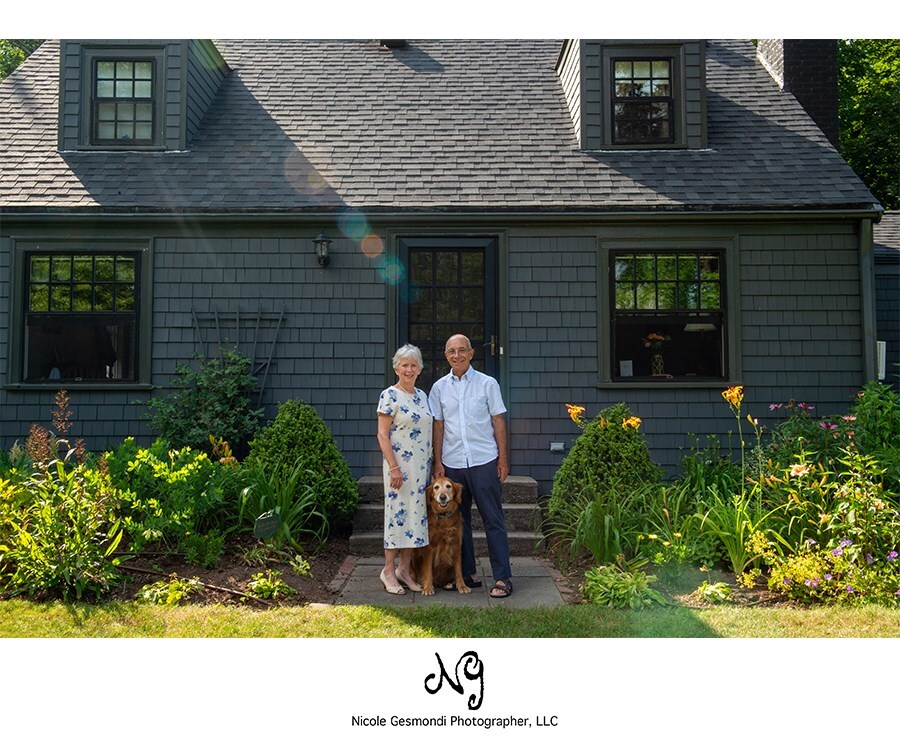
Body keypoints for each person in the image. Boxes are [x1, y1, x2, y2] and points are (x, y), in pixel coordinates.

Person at [429, 334, 513, 598]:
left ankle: (502, 578)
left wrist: (502, 459)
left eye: (462, 350)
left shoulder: (487, 384)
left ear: (471, 353)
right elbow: (438, 424)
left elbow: (498, 421)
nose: (457, 355)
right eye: (451, 351)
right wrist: (438, 461)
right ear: (446, 355)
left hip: (484, 460)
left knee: (493, 520)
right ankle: (467, 574)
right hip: (453, 464)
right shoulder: (439, 388)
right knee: (458, 521)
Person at [376, 344, 432, 594]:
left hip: (421, 469)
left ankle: (404, 570)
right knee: (396, 517)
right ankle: (388, 570)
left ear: (419, 369)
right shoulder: (389, 395)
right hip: (398, 468)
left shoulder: (423, 395)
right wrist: (394, 468)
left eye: (413, 365)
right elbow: (382, 434)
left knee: (414, 518)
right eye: (404, 365)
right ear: (396, 368)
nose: (409, 369)